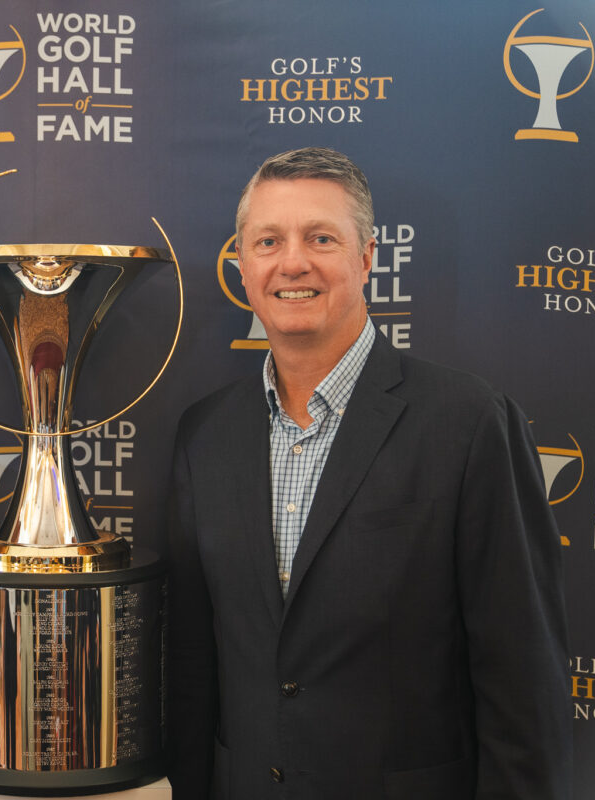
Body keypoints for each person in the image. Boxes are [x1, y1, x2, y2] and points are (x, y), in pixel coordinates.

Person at [166, 148, 571, 799]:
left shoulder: (468, 423)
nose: (292, 261)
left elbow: (523, 684)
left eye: (320, 238)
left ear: (366, 257)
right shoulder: (204, 435)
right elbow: (192, 670)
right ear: (242, 265)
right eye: (268, 240)